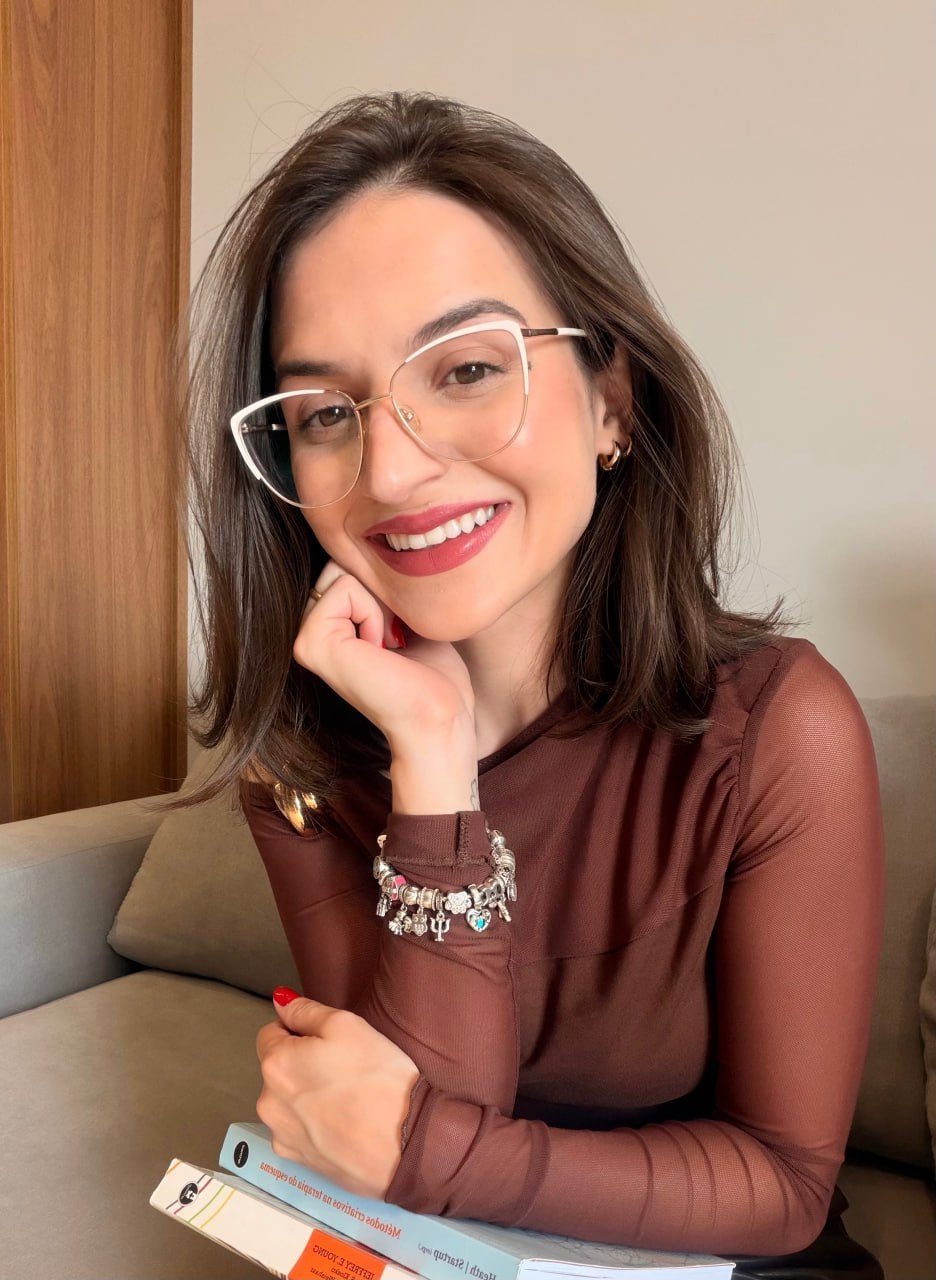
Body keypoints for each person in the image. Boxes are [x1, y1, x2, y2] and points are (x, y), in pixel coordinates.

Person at [183, 91, 885, 1278]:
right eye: (325, 412)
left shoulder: (782, 731)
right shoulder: (299, 763)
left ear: (612, 399)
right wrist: (434, 760)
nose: (391, 469)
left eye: (465, 368)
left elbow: (782, 1184)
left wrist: (428, 1151)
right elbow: (401, 1182)